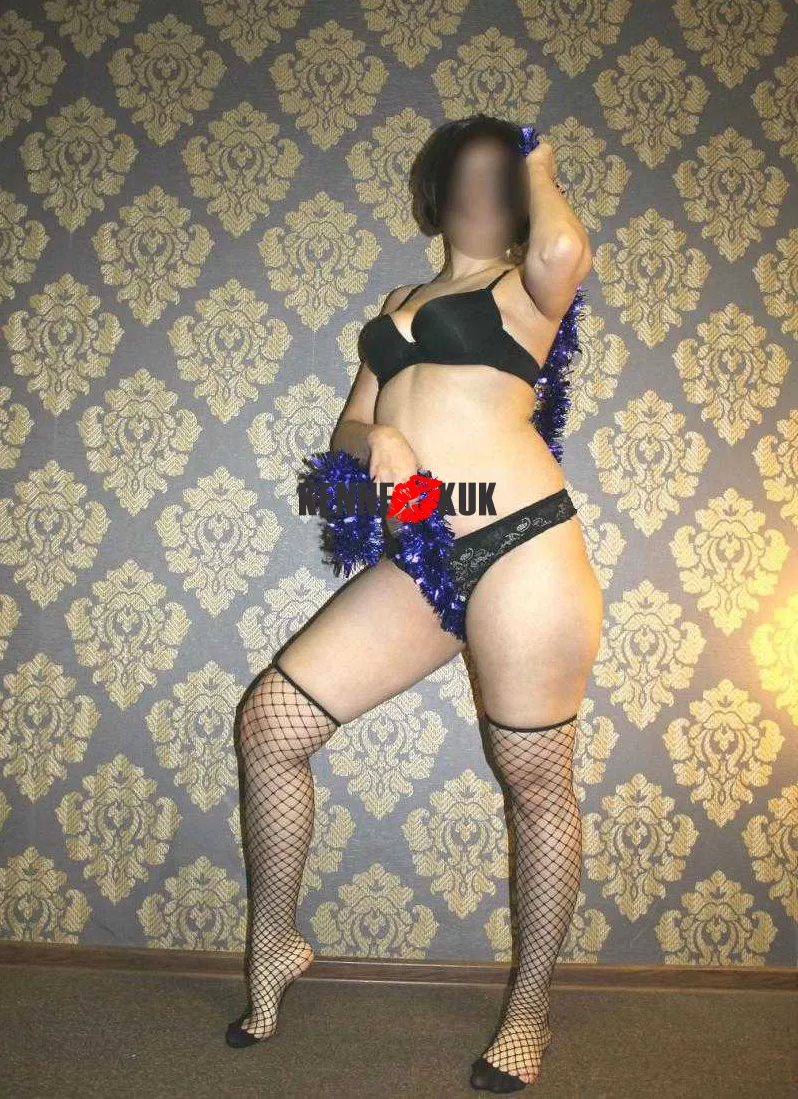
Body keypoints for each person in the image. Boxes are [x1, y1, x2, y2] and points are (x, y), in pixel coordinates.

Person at [226, 114, 603, 1093]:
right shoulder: (398, 303)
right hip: (426, 551)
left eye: (496, 175)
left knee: (533, 780)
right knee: (270, 722)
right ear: (433, 193)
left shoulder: (526, 289)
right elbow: (348, 429)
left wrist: (536, 157)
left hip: (522, 542)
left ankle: (529, 1010)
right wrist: (381, 442)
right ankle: (275, 940)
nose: (478, 188)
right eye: (462, 172)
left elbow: (564, 249)